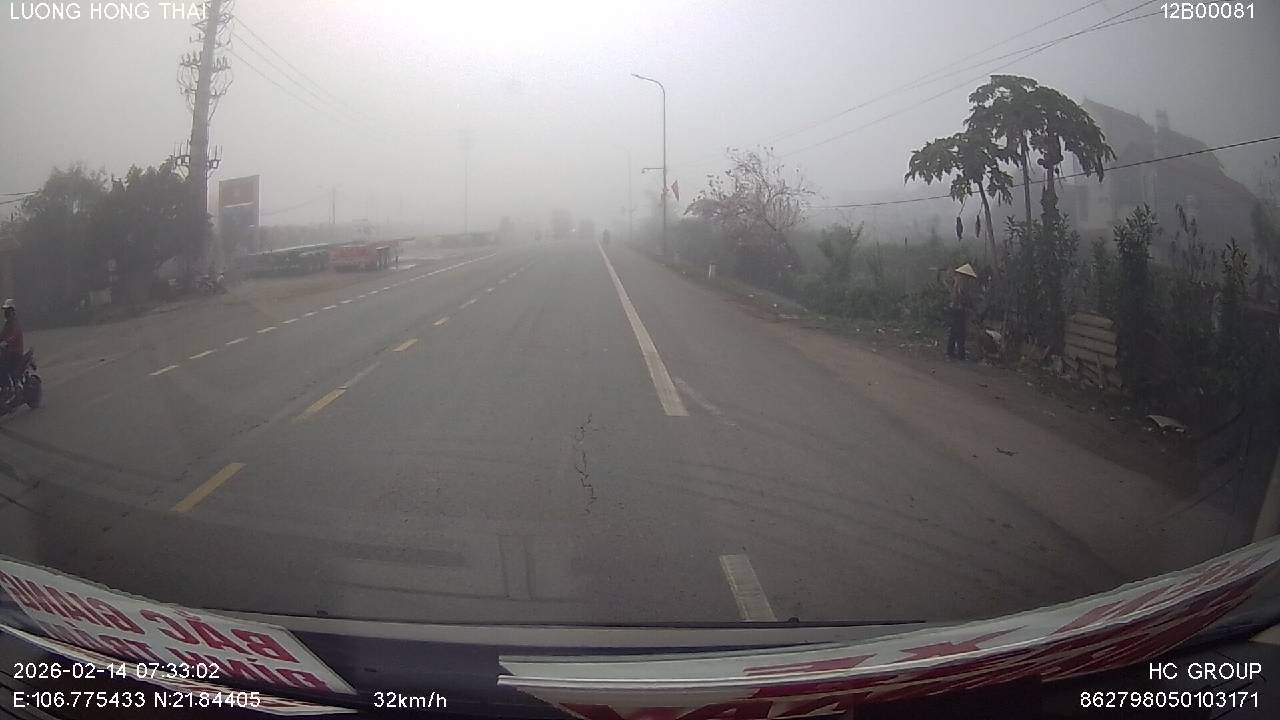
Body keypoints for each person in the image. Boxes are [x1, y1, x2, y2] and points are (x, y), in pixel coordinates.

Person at [946, 264, 977, 360]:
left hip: (955, 309)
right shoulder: (961, 284)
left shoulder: (957, 282)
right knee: (960, 332)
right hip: (959, 310)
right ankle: (959, 354)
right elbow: (962, 298)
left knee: (954, 332)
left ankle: (951, 352)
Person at [0, 299, 24, 391]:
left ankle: (8, 387)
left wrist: (6, 342)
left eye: (8, 310)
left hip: (15, 352)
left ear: (12, 311)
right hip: (7, 352)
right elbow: (2, 335)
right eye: (5, 310)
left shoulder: (15, 323)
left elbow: (14, 335)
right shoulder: (7, 324)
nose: (6, 313)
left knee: (3, 367)